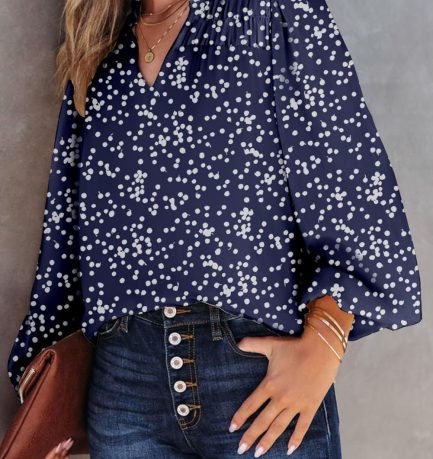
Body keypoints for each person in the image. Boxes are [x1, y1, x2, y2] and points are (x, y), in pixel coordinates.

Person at [7, 0, 422, 458]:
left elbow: (351, 187)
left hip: (256, 382)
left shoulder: (270, 12)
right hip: (123, 391)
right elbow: (66, 229)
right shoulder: (99, 42)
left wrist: (325, 340)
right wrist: (47, 399)